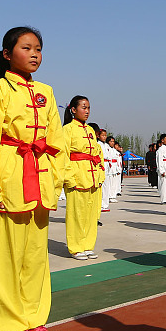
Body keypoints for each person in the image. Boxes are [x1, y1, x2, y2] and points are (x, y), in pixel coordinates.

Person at [0, 26, 65, 331]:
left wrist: (55, 182)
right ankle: (12, 325)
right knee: (10, 257)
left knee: (36, 257)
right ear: (7, 55)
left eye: (38, 48)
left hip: (40, 180)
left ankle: (35, 318)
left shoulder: (47, 91)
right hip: (11, 177)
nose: (35, 53)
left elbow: (57, 141)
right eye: (26, 48)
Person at [63, 95, 104, 261]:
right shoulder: (67, 130)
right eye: (83, 107)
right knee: (76, 215)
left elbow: (97, 154)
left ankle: (88, 245)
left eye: (88, 108)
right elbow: (62, 155)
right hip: (77, 177)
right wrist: (69, 178)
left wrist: (100, 173)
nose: (87, 111)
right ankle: (76, 247)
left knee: (91, 215)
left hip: (93, 178)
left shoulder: (90, 131)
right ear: (73, 109)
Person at [155, 133, 166, 204]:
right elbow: (159, 161)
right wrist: (161, 170)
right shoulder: (160, 150)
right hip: (163, 168)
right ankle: (164, 199)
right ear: (162, 140)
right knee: (164, 185)